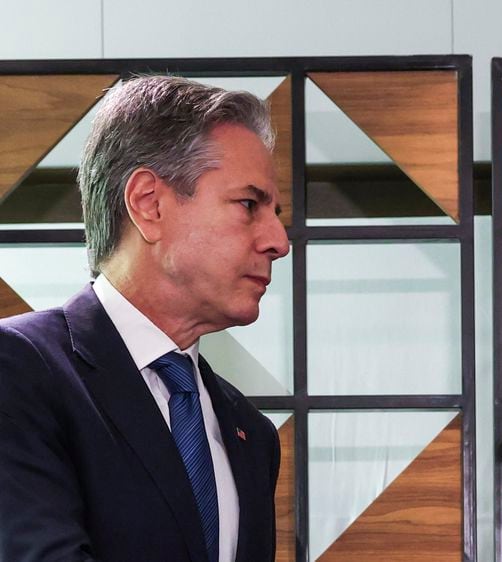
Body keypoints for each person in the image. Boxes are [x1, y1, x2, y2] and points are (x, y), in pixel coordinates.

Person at [0, 76, 289, 562]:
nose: (279, 240)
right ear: (149, 204)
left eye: (276, 212)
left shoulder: (251, 433)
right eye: (249, 204)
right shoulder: (20, 370)